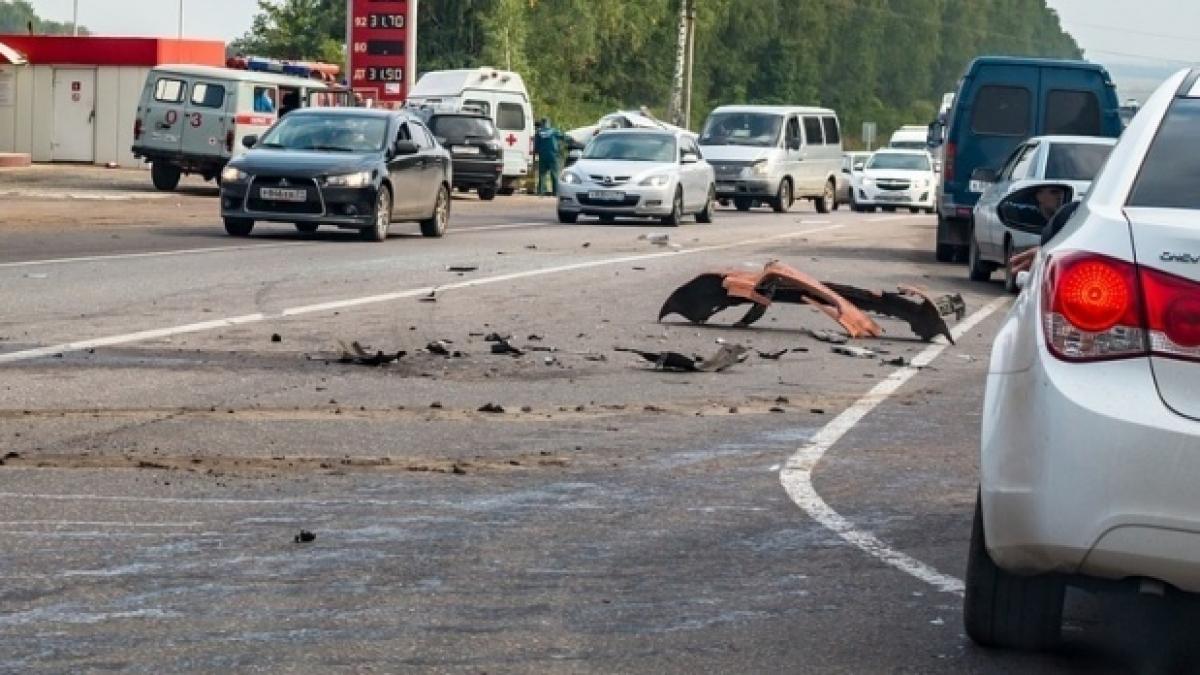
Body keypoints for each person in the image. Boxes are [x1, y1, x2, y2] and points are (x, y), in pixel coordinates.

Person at [1008, 185, 1071, 274]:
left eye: (1062, 193)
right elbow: (1008, 210)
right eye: (1054, 192)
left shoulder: (1065, 220)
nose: (1059, 197)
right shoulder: (1027, 217)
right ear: (1039, 196)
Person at [534, 118, 564, 196]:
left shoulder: (538, 133)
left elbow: (536, 146)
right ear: (549, 123)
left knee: (542, 175)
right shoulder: (554, 131)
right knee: (554, 174)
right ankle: (555, 192)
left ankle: (541, 191)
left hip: (543, 156)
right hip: (553, 156)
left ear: (542, 124)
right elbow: (563, 137)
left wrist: (536, 152)